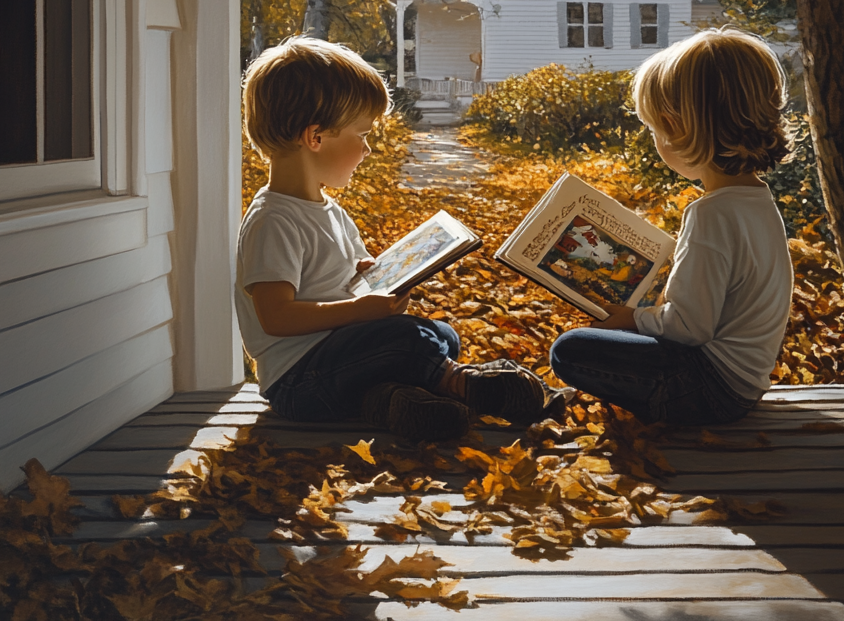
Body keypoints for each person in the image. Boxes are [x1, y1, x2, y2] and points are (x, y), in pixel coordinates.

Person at [236, 36, 563, 443]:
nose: (368, 149)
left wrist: (380, 283)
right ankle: (475, 388)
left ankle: (390, 401)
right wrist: (360, 311)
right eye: (361, 134)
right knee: (409, 343)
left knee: (443, 336)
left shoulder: (329, 211)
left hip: (339, 360)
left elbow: (346, 283)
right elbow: (277, 317)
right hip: (299, 382)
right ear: (315, 138)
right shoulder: (274, 220)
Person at [549, 28, 794, 425]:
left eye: (652, 129)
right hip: (745, 382)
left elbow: (689, 328)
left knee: (570, 349)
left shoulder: (710, 214)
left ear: (674, 126)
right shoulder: (758, 202)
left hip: (711, 388)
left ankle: (660, 409)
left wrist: (631, 317)